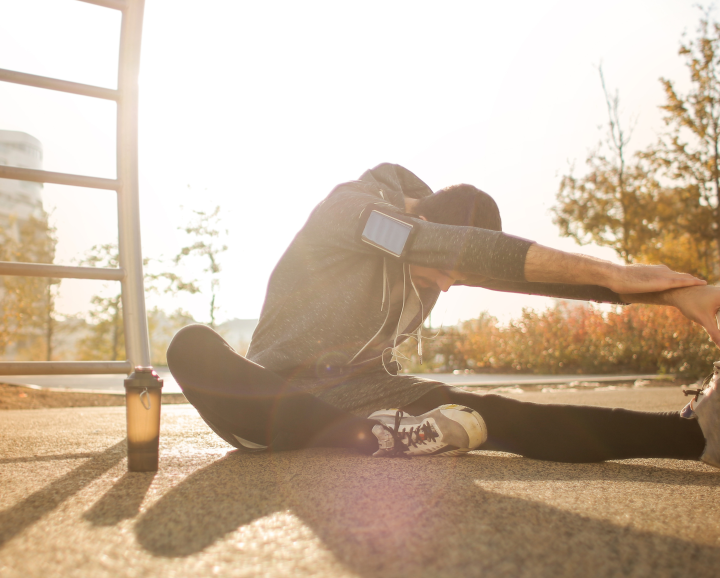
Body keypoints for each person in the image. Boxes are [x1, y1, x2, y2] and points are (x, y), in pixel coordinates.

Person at [167, 164, 720, 466]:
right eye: (450, 270)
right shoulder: (358, 215)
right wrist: (616, 272)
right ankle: (370, 438)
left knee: (497, 414)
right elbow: (430, 244)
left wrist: (669, 294)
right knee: (190, 346)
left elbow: (520, 272)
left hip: (370, 399)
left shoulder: (432, 249)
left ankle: (695, 436)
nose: (452, 286)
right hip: (268, 399)